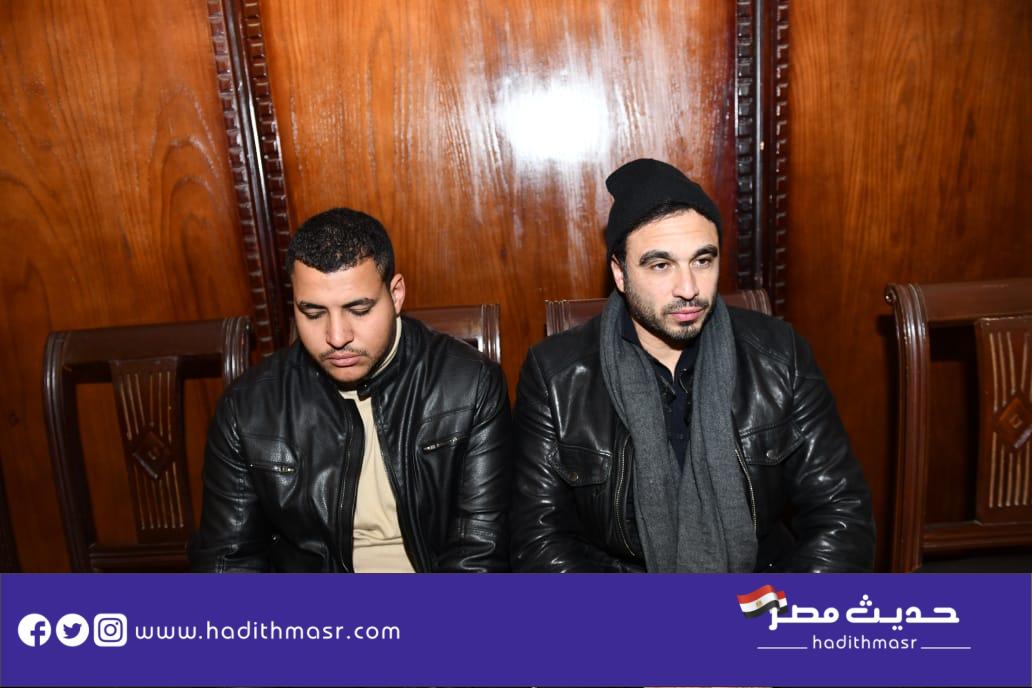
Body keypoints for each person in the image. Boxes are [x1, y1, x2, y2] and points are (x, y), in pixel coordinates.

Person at [511, 159, 874, 572]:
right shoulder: (556, 377)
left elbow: (842, 517)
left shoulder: (779, 356)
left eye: (702, 261)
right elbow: (538, 542)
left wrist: (767, 608)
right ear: (620, 273)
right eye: (660, 265)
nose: (688, 288)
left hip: (760, 595)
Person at [191, 207, 512, 572]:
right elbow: (227, 561)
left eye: (358, 309)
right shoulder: (248, 408)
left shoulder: (469, 386)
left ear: (396, 294)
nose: (337, 337)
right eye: (313, 313)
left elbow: (479, 555)